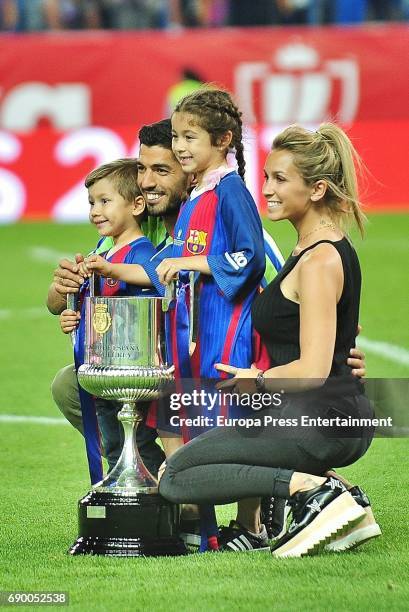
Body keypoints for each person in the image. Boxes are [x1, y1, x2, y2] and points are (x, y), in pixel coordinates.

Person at [55, 118, 368, 551]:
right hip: (184, 374)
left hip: (271, 395)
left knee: (183, 464)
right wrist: (66, 297)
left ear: (194, 168)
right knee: (74, 386)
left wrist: (325, 362)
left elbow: (284, 309)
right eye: (143, 170)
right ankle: (152, 493)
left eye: (162, 170)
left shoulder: (255, 235)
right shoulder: (140, 223)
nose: (147, 182)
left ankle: (286, 501)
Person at [159, 123, 380, 558]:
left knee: (175, 476)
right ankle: (342, 497)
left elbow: (313, 370)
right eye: (266, 177)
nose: (268, 190)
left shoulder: (318, 260)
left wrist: (256, 379)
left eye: (280, 179)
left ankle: (314, 492)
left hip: (320, 419)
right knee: (186, 466)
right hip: (325, 414)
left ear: (317, 189)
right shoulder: (313, 248)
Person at [49, 158, 165, 482]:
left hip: (130, 370)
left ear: (137, 205)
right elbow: (84, 306)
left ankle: (160, 506)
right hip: (104, 367)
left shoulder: (141, 255)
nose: (95, 211)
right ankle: (127, 497)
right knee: (115, 442)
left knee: (135, 442)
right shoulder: (103, 250)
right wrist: (73, 316)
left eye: (104, 201)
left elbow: (154, 295)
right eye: (91, 203)